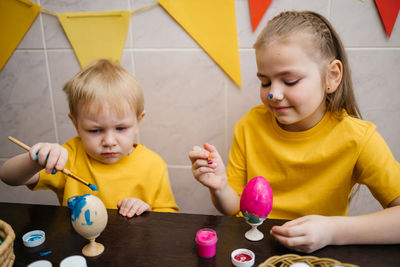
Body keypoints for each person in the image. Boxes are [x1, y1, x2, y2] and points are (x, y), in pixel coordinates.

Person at [189, 11, 400, 252]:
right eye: (265, 82)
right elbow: (232, 207)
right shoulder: (249, 126)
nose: (273, 94)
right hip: (254, 248)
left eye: (289, 81)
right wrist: (220, 187)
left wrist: (331, 231)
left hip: (319, 254)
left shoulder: (359, 138)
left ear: (331, 77)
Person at [0, 58, 178, 218]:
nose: (109, 141)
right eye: (95, 130)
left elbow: (170, 217)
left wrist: (146, 210)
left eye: (121, 128)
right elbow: (8, 176)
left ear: (138, 122)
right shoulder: (68, 157)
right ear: (76, 124)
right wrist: (36, 161)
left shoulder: (154, 165)